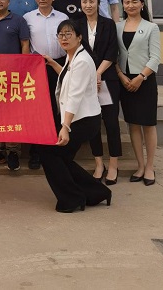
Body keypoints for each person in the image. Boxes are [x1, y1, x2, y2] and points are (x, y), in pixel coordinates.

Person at [38, 19, 112, 213]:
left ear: (79, 37)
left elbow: (75, 95)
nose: (64, 38)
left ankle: (72, 198)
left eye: (68, 34)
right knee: (61, 159)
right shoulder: (73, 56)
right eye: (60, 34)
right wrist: (53, 63)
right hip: (79, 119)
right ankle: (97, 193)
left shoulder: (82, 61)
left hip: (83, 120)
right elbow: (67, 77)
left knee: (49, 153)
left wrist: (65, 127)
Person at [116, 0, 160, 186]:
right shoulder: (117, 26)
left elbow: (155, 57)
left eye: (134, 1)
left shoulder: (151, 27)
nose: (130, 5)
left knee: (148, 124)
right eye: (126, 2)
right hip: (124, 80)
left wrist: (141, 77)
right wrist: (121, 75)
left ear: (142, 4)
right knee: (133, 124)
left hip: (145, 80)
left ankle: (150, 167)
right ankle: (140, 166)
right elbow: (114, 55)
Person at [0, 0, 30, 171]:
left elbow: (25, 44)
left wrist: (23, 69)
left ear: (8, 1)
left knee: (12, 113)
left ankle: (13, 151)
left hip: (13, 74)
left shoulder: (19, 20)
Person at [23, 0, 68, 169]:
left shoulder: (63, 17)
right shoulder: (28, 18)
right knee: (39, 109)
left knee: (59, 106)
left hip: (60, 65)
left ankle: (58, 149)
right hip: (38, 67)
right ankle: (36, 152)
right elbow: (25, 43)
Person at [79, 0, 121, 184]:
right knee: (93, 122)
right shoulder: (77, 24)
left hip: (107, 80)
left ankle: (113, 164)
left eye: (91, 1)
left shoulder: (109, 24)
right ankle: (99, 163)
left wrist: (97, 73)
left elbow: (112, 52)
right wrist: (90, 75)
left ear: (98, 3)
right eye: (84, 2)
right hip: (85, 81)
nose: (88, 5)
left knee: (111, 122)